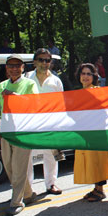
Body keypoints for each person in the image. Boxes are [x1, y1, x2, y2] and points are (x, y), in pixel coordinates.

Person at [0, 54, 39, 215]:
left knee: (18, 167)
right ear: (6, 68)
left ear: (23, 68)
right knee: (10, 167)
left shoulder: (30, 84)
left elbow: (35, 104)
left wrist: (15, 97)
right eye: (11, 65)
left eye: (17, 65)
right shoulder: (2, 86)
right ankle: (28, 194)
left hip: (22, 133)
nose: (14, 68)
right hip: (6, 132)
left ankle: (16, 201)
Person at [73, 63, 108, 201]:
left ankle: (100, 190)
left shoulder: (97, 91)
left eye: (88, 74)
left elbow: (104, 111)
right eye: (83, 73)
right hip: (84, 132)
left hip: (97, 132)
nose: (85, 77)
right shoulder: (78, 93)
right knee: (90, 160)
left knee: (98, 160)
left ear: (94, 77)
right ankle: (96, 188)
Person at [26, 48, 64, 195]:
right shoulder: (26, 78)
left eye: (47, 60)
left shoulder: (56, 81)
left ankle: (51, 184)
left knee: (50, 155)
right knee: (27, 156)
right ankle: (27, 188)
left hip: (50, 123)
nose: (44, 63)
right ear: (35, 62)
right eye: (41, 59)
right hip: (30, 123)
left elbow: (61, 104)